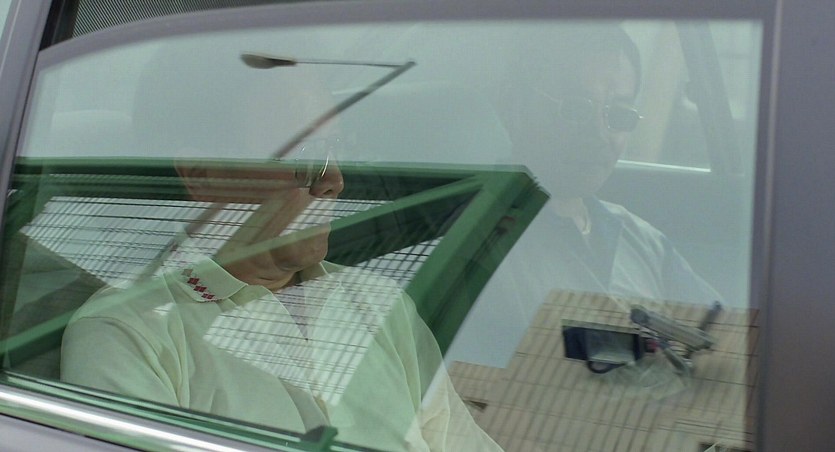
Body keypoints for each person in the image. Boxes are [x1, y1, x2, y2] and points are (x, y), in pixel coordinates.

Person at [60, 38, 501, 451]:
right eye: (304, 154)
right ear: (203, 174)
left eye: (335, 147)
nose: (334, 181)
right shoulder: (128, 334)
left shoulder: (380, 306)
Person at [446, 25, 722, 370]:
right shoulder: (470, 247)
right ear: (513, 106)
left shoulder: (642, 240)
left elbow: (725, 341)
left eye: (619, 115)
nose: (599, 134)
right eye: (576, 109)